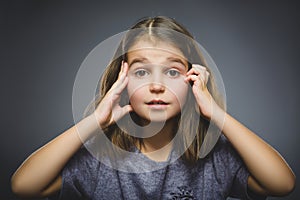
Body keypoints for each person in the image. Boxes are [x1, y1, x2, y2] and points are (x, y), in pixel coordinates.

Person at [11, 16, 295, 200]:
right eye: (142, 73)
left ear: (193, 80)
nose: (157, 85)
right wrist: (95, 120)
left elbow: (282, 184)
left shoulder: (214, 156)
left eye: (172, 73)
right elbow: (23, 187)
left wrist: (215, 113)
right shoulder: (99, 156)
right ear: (120, 82)